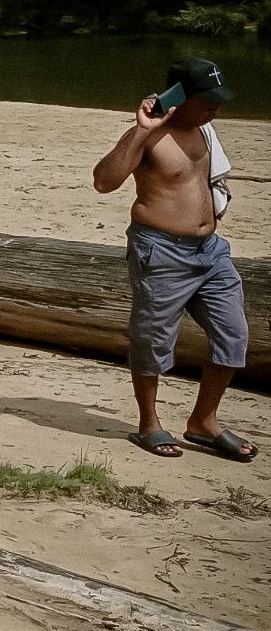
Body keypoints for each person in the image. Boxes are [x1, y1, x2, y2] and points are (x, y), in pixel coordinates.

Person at [93, 59, 255, 462]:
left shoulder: (203, 129)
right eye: (208, 100)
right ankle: (148, 423)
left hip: (211, 252)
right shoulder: (149, 135)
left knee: (234, 334)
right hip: (161, 251)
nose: (217, 108)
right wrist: (142, 131)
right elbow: (103, 181)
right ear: (179, 98)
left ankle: (203, 421)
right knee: (152, 340)